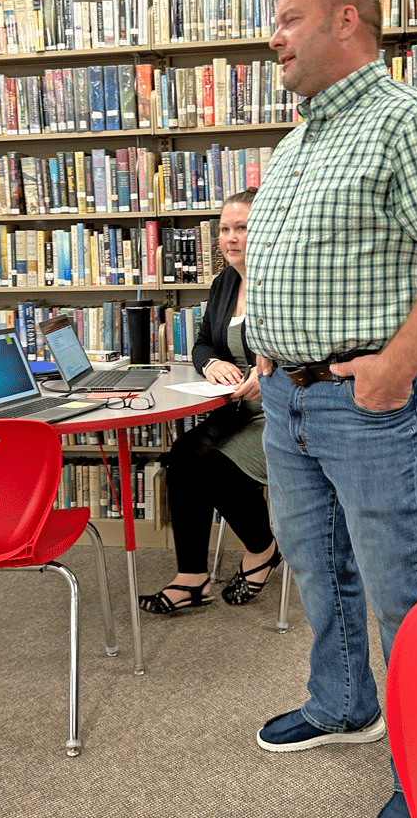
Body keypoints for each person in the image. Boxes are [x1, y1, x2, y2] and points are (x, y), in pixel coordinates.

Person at [244, 0, 417, 818]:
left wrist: (397, 365)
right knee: (320, 572)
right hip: (288, 400)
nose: (272, 38)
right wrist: (263, 349)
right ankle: (345, 704)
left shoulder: (409, 121)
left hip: (367, 402)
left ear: (346, 20)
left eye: (287, 20)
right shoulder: (297, 141)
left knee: (406, 590)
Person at [139, 188, 281, 615]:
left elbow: (306, 351)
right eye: (224, 229)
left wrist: (269, 372)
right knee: (182, 456)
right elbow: (202, 343)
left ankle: (263, 548)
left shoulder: (279, 282)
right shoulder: (224, 282)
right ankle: (192, 576)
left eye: (243, 228)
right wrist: (213, 362)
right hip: (237, 408)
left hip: (283, 412)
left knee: (214, 464)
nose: (231, 238)